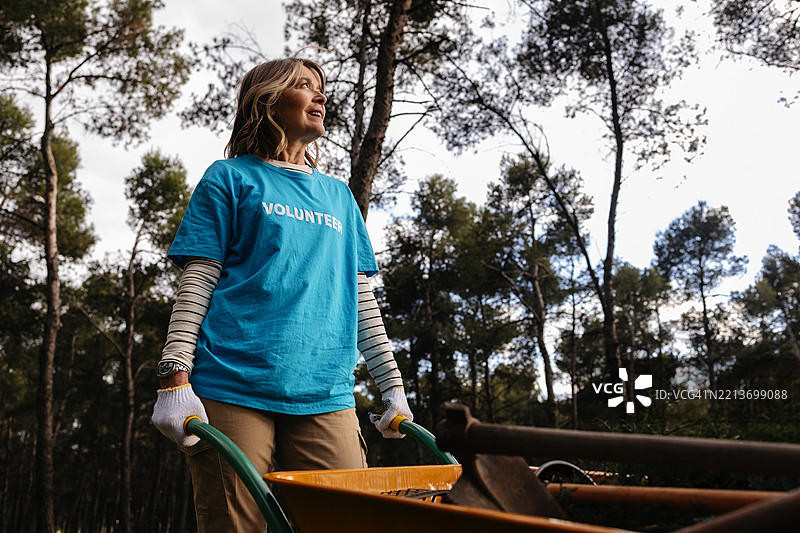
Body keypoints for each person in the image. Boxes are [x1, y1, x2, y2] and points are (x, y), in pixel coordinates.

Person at [151, 57, 413, 532]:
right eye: (305, 86)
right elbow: (198, 279)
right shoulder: (230, 178)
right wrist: (174, 374)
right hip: (232, 386)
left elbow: (361, 299)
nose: (321, 96)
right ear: (269, 98)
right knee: (238, 526)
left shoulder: (339, 197)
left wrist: (391, 385)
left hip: (327, 394)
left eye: (322, 88)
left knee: (344, 522)